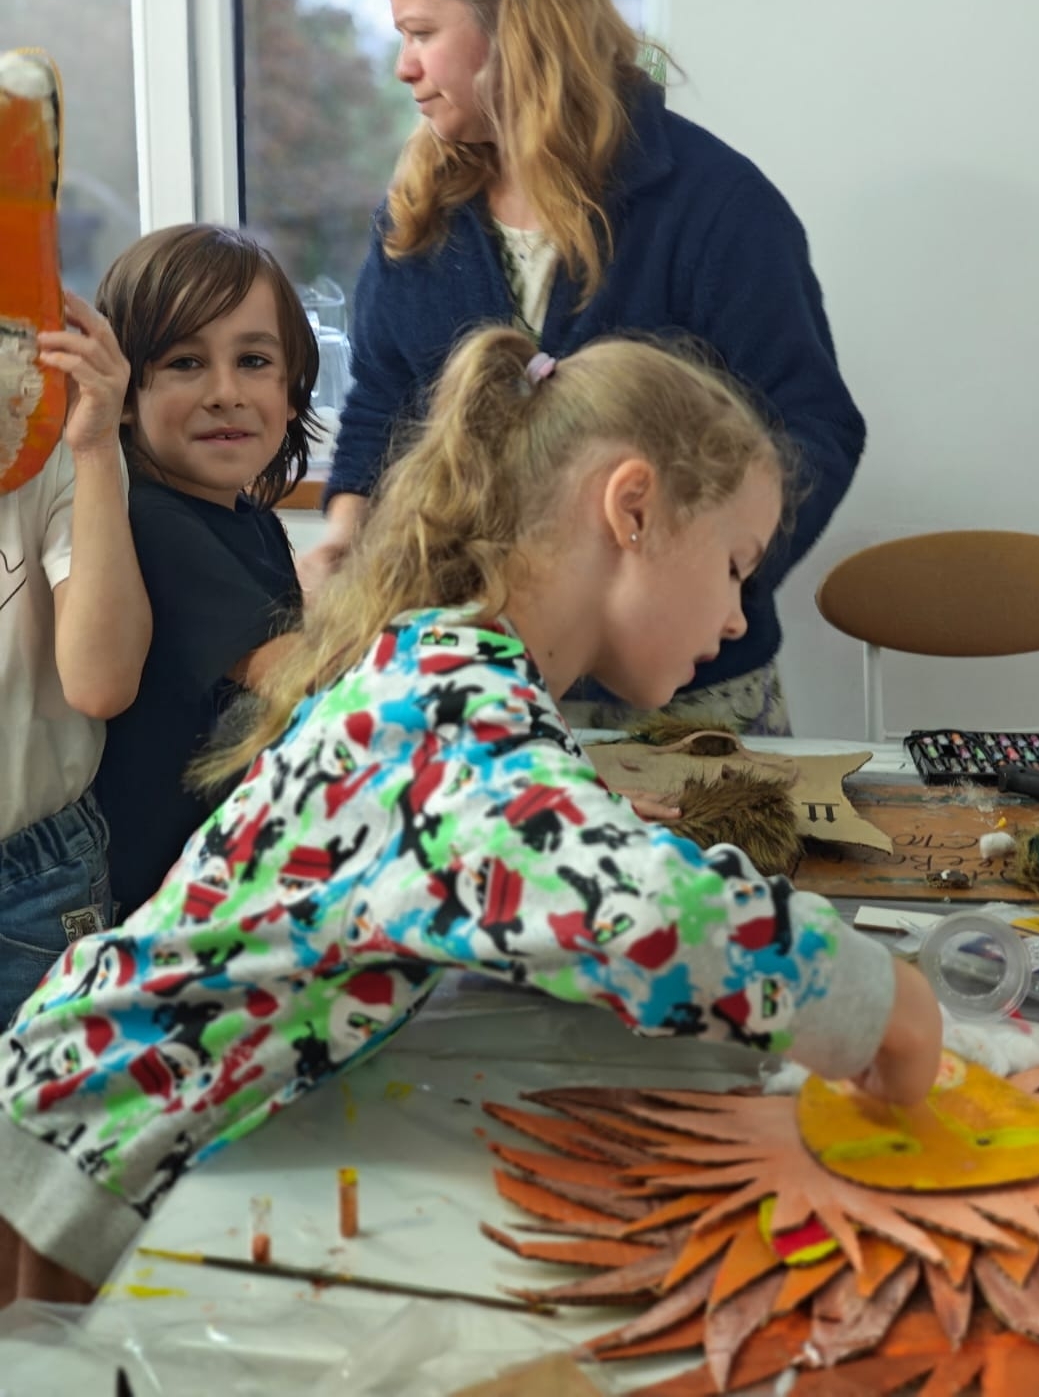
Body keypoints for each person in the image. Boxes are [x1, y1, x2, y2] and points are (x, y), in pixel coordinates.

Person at [0, 326, 940, 1307]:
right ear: (632, 509)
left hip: (75, 1126)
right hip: (64, 1171)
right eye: (736, 565)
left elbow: (552, 857)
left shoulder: (443, 664)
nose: (741, 616)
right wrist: (880, 1002)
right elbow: (648, 916)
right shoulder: (456, 711)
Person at [303, 0, 866, 737]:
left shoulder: (718, 208)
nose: (403, 66)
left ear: (517, 25)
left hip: (689, 702)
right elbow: (382, 402)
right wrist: (345, 539)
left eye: (421, 33)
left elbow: (813, 429)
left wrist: (700, 589)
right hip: (478, 688)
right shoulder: (417, 216)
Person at [92, 223, 320, 918]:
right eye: (186, 362)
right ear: (124, 395)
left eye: (253, 360)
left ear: (292, 389)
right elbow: (308, 678)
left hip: (219, 890)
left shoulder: (250, 519)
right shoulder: (151, 523)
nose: (225, 392)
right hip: (157, 912)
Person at [0, 291, 151, 1029]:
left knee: (49, 1101)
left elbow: (102, 683)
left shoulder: (52, 439)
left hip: (28, 883)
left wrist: (93, 449)